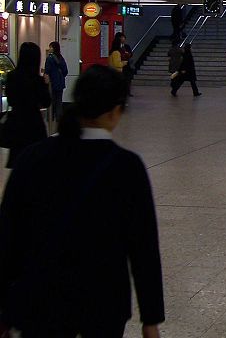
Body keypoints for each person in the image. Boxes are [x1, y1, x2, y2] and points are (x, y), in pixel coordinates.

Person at [0, 65, 164, 338]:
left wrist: (4, 308)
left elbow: (8, 233)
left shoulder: (33, 157)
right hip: (103, 304)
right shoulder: (126, 167)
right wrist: (151, 318)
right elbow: (143, 247)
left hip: (39, 300)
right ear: (115, 111)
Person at [3, 42, 51, 169]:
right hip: (34, 124)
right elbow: (46, 102)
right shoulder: (37, 80)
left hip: (16, 123)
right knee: (35, 164)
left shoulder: (12, 77)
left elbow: (11, 100)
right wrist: (45, 85)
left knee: (18, 163)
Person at [44, 41, 68, 122]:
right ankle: (59, 121)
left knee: (51, 103)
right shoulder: (61, 58)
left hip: (52, 84)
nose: (49, 49)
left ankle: (50, 120)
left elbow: (47, 72)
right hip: (60, 84)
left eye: (50, 47)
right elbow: (65, 71)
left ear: (53, 48)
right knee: (59, 103)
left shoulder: (49, 58)